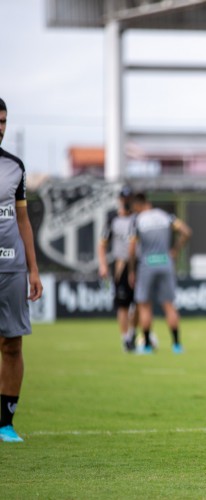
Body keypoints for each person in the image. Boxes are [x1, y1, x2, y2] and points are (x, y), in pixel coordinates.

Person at [0, 97, 43, 442]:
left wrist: (33, 268)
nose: (0, 127)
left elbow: (23, 220)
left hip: (11, 268)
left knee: (12, 345)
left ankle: (5, 422)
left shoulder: (15, 166)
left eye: (3, 121)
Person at [128, 192, 191, 354]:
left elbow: (132, 248)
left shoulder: (138, 220)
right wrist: (175, 250)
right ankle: (177, 345)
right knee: (169, 305)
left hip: (147, 264)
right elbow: (186, 231)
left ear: (137, 205)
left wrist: (131, 270)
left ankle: (147, 346)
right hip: (165, 262)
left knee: (144, 306)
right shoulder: (165, 216)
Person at [98, 186, 138, 352]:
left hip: (138, 265)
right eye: (124, 199)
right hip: (121, 265)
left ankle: (133, 333)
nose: (126, 202)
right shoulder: (112, 218)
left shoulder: (138, 217)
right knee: (122, 305)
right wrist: (103, 265)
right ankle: (125, 339)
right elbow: (102, 244)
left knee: (139, 303)